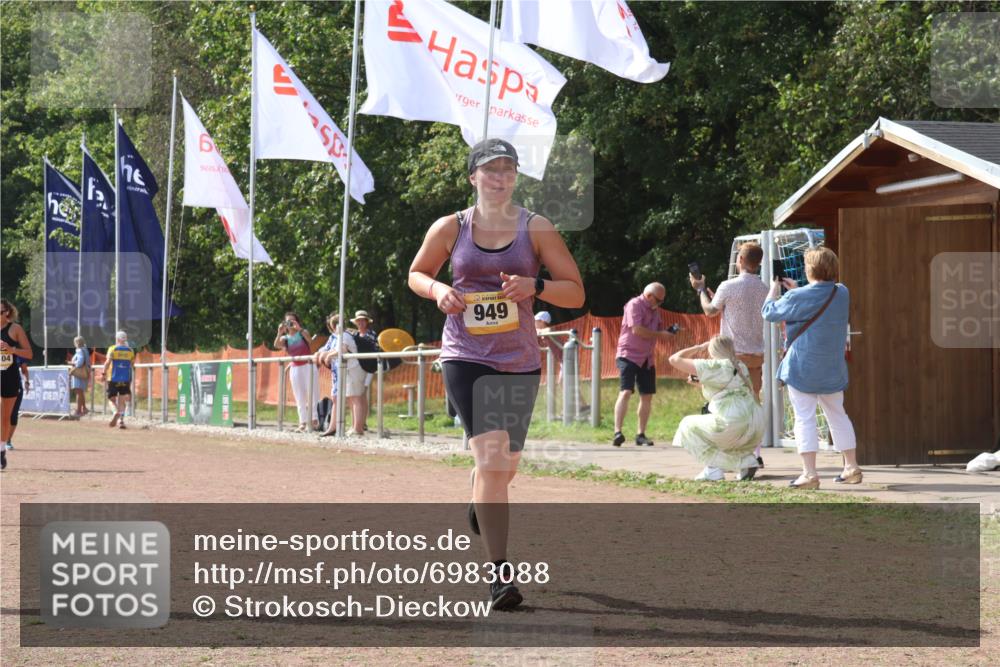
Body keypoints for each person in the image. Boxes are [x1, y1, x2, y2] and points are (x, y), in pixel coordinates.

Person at [408, 138, 584, 611]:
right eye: (490, 170)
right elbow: (417, 273)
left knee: (505, 468)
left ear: (516, 177)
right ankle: (499, 577)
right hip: (465, 355)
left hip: (519, 359)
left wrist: (535, 285)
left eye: (508, 169)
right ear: (473, 177)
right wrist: (439, 290)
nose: (500, 177)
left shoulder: (536, 227)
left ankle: (480, 497)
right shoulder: (451, 227)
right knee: (491, 460)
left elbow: (575, 293)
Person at [762, 247, 861, 489]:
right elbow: (817, 299)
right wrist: (797, 289)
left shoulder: (797, 297)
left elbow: (769, 312)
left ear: (810, 269)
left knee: (804, 418)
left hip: (802, 368)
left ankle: (809, 474)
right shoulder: (842, 292)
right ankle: (851, 467)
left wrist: (774, 289)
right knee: (838, 415)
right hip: (832, 368)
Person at [690, 241, 769, 466]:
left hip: (733, 358)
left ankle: (725, 453)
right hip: (756, 357)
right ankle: (754, 453)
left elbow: (710, 311)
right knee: (753, 404)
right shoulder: (764, 288)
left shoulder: (728, 285)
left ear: (741, 260)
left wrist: (701, 290)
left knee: (727, 406)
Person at [668, 335, 765, 481]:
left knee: (687, 425)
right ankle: (747, 462)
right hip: (755, 424)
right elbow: (728, 388)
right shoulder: (740, 365)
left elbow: (674, 359)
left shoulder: (715, 366)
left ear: (712, 350)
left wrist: (699, 347)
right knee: (725, 437)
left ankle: (713, 469)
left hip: (734, 422)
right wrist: (701, 384)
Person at [612, 282, 679, 447]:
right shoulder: (634, 305)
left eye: (662, 301)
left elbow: (659, 330)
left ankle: (640, 435)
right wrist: (660, 334)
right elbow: (637, 330)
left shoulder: (655, 310)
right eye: (659, 300)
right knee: (626, 392)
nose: (660, 304)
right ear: (649, 296)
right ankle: (617, 432)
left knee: (647, 395)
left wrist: (669, 332)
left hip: (647, 358)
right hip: (628, 355)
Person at [314, 313, 366, 437]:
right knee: (349, 398)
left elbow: (342, 349)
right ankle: (343, 427)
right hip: (345, 371)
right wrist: (322, 354)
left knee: (356, 398)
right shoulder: (337, 337)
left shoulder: (345, 336)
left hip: (353, 369)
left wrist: (328, 355)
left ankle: (358, 428)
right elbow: (330, 349)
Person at [534, 311, 588, 412]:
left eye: (535, 321)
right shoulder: (544, 333)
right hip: (564, 360)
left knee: (564, 383)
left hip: (567, 358)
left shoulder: (549, 330)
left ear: (542, 321)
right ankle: (582, 406)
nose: (534, 323)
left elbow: (544, 331)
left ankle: (570, 409)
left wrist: (535, 331)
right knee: (568, 384)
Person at [274, 312, 319, 432]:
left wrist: (299, 329)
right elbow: (276, 345)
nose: (290, 324)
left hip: (308, 365)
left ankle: (314, 420)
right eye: (287, 321)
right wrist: (279, 332)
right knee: (299, 396)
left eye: (292, 321)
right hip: (295, 368)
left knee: (313, 393)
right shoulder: (285, 338)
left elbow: (310, 341)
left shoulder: (303, 333)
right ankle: (302, 422)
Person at [2, 299, 33, 468]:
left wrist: (11, 349)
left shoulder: (15, 329)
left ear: (7, 312)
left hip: (9, 377)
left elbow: (29, 354)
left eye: (0, 312)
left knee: (5, 417)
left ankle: (1, 451)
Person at [349, 310, 379, 432]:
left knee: (362, 393)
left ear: (367, 322)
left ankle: (362, 422)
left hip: (368, 366)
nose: (361, 323)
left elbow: (373, 348)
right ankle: (359, 422)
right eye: (358, 321)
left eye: (363, 320)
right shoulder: (354, 335)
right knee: (357, 394)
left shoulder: (372, 334)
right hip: (357, 366)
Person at [103, 330, 135, 429]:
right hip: (125, 379)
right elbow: (132, 365)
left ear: (117, 339)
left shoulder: (112, 349)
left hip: (113, 378)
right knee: (122, 400)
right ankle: (121, 420)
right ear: (125, 339)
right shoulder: (130, 350)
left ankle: (115, 412)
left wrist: (103, 373)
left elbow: (107, 362)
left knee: (111, 399)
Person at [6, 358, 29, 451]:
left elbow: (24, 369)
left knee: (13, 415)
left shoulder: (19, 354)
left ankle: (8, 441)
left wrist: (27, 382)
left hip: (16, 388)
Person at [71, 335, 91, 417]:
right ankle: (84, 408)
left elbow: (80, 362)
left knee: (78, 392)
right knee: (81, 391)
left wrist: (73, 363)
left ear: (77, 343)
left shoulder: (79, 350)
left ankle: (78, 410)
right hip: (84, 372)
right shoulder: (85, 350)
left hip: (79, 373)